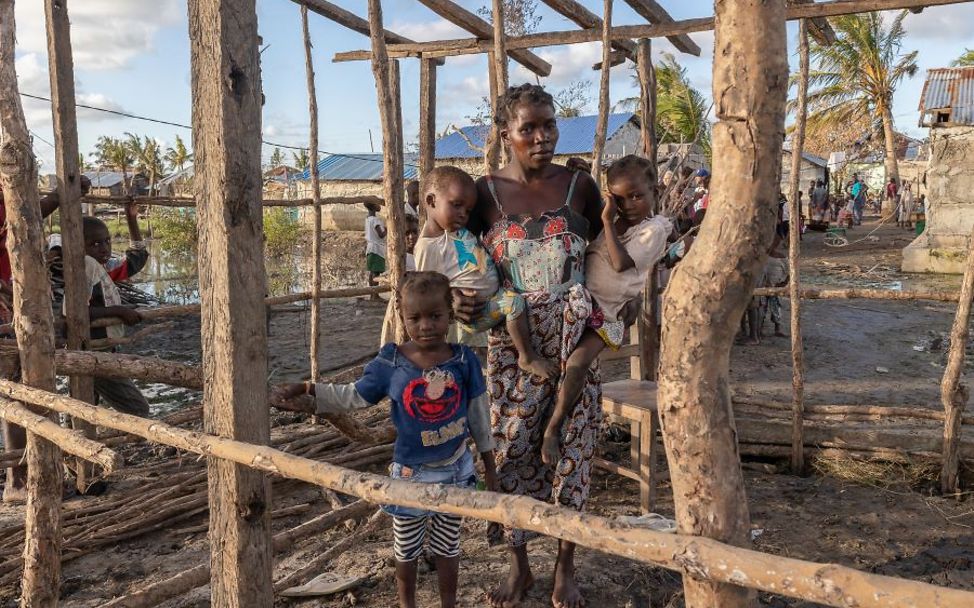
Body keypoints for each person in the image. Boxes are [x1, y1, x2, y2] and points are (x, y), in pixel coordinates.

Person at [456, 83, 603, 608]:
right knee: (512, 450)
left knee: (575, 451)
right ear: (506, 134)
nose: (541, 137)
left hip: (570, 340)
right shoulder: (484, 194)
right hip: (511, 346)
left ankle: (566, 567)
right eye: (528, 128)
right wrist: (461, 303)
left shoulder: (580, 186)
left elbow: (607, 254)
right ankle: (519, 567)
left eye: (548, 125)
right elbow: (468, 264)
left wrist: (607, 319)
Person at [271, 271, 497, 608]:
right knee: (406, 550)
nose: (425, 326)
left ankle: (448, 603)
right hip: (410, 474)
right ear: (402, 318)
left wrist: (490, 466)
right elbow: (354, 396)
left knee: (448, 546)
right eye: (415, 318)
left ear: (450, 314)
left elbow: (479, 417)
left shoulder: (463, 361)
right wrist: (308, 388)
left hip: (456, 469)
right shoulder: (392, 362)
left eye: (435, 316)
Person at [541, 155, 675, 466]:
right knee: (557, 366)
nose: (628, 205)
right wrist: (584, 184)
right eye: (619, 199)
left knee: (577, 363)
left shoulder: (654, 229)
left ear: (655, 191)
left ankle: (554, 427)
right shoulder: (616, 223)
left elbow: (619, 262)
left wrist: (606, 221)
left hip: (609, 316)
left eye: (636, 196)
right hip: (579, 305)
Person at [415, 165, 557, 379]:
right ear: (431, 201)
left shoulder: (455, 230)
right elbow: (427, 287)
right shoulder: (429, 247)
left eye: (468, 210)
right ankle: (527, 356)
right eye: (456, 205)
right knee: (514, 303)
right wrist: (450, 297)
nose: (463, 214)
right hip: (476, 310)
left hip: (492, 295)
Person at [2, 178, 89, 504]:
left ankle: (29, 474)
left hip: (13, 308)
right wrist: (61, 195)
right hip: (8, 314)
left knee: (21, 391)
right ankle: (21, 480)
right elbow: (23, 218)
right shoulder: (5, 207)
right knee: (16, 394)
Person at [78, 206, 151, 417]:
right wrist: (118, 310)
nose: (104, 248)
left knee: (84, 404)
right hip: (92, 350)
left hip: (99, 347)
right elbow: (73, 313)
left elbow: (135, 260)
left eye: (107, 241)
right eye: (95, 244)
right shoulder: (80, 269)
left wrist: (131, 219)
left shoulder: (101, 267)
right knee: (138, 409)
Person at [364, 201, 387, 300]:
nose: (379, 206)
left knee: (372, 272)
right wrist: (388, 228)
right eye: (377, 204)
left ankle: (372, 294)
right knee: (375, 273)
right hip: (376, 248)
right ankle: (375, 295)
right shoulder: (376, 220)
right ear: (373, 207)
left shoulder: (368, 219)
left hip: (370, 248)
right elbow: (381, 234)